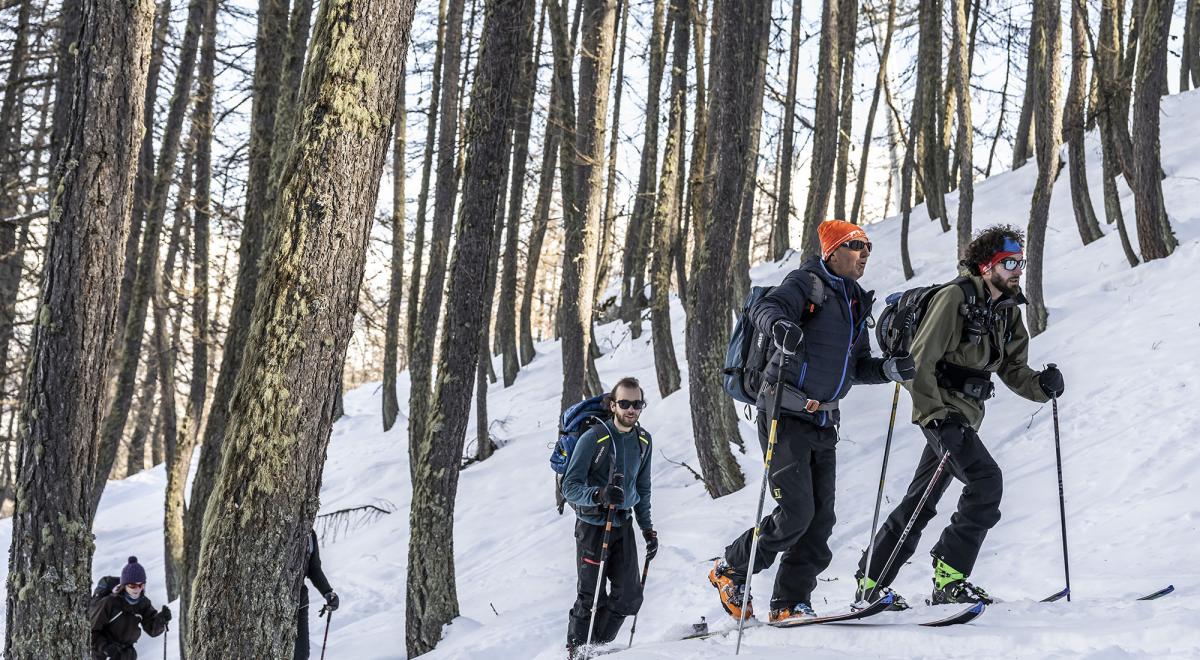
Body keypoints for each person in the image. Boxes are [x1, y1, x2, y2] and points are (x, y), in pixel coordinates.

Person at [709, 220, 916, 623]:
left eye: (868, 247)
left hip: (823, 421)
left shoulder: (855, 302)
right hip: (783, 414)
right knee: (796, 512)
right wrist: (780, 326)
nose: (865, 254)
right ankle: (730, 568)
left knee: (820, 521)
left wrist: (887, 370)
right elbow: (763, 308)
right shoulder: (806, 283)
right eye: (856, 246)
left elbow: (857, 366)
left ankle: (789, 602)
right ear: (833, 252)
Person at [855, 225, 1065, 605]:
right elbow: (918, 362)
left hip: (964, 417)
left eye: (1021, 262)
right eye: (1009, 262)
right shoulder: (954, 298)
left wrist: (1042, 385)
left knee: (921, 498)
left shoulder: (1007, 312)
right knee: (986, 481)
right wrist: (936, 418)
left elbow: (1014, 370)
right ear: (987, 266)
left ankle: (871, 580)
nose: (1018, 270)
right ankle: (949, 577)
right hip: (941, 413)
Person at [561, 377, 657, 656]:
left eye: (637, 404)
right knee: (591, 597)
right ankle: (577, 650)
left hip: (623, 523)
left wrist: (647, 529)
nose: (631, 409)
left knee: (629, 596)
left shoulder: (643, 440)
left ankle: (595, 647)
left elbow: (643, 488)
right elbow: (569, 486)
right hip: (593, 526)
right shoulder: (594, 438)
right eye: (624, 403)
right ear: (612, 405)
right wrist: (599, 494)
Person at [89, 556, 170, 660]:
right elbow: (91, 630)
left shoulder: (143, 603)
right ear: (124, 585)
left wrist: (162, 619)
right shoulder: (109, 602)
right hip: (104, 654)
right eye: (132, 585)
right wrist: (105, 648)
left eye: (141, 585)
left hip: (126, 655)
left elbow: (152, 629)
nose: (137, 589)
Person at [296, 529, 340, 660]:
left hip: (299, 604)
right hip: (265, 605)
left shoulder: (309, 533)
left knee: (301, 655)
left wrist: (328, 592)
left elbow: (314, 568)